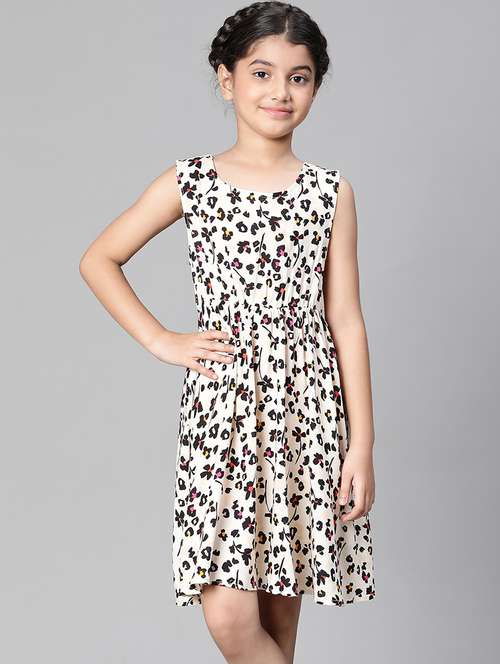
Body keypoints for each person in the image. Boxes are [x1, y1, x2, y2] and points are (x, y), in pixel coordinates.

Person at [79, 2, 376, 662]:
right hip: (223, 415)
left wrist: (361, 446)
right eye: (261, 73)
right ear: (226, 79)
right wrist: (162, 340)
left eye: (299, 77)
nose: (280, 91)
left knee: (280, 618)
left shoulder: (330, 192)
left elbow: (346, 320)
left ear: (316, 87)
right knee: (231, 619)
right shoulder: (192, 181)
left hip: (307, 411)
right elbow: (99, 258)